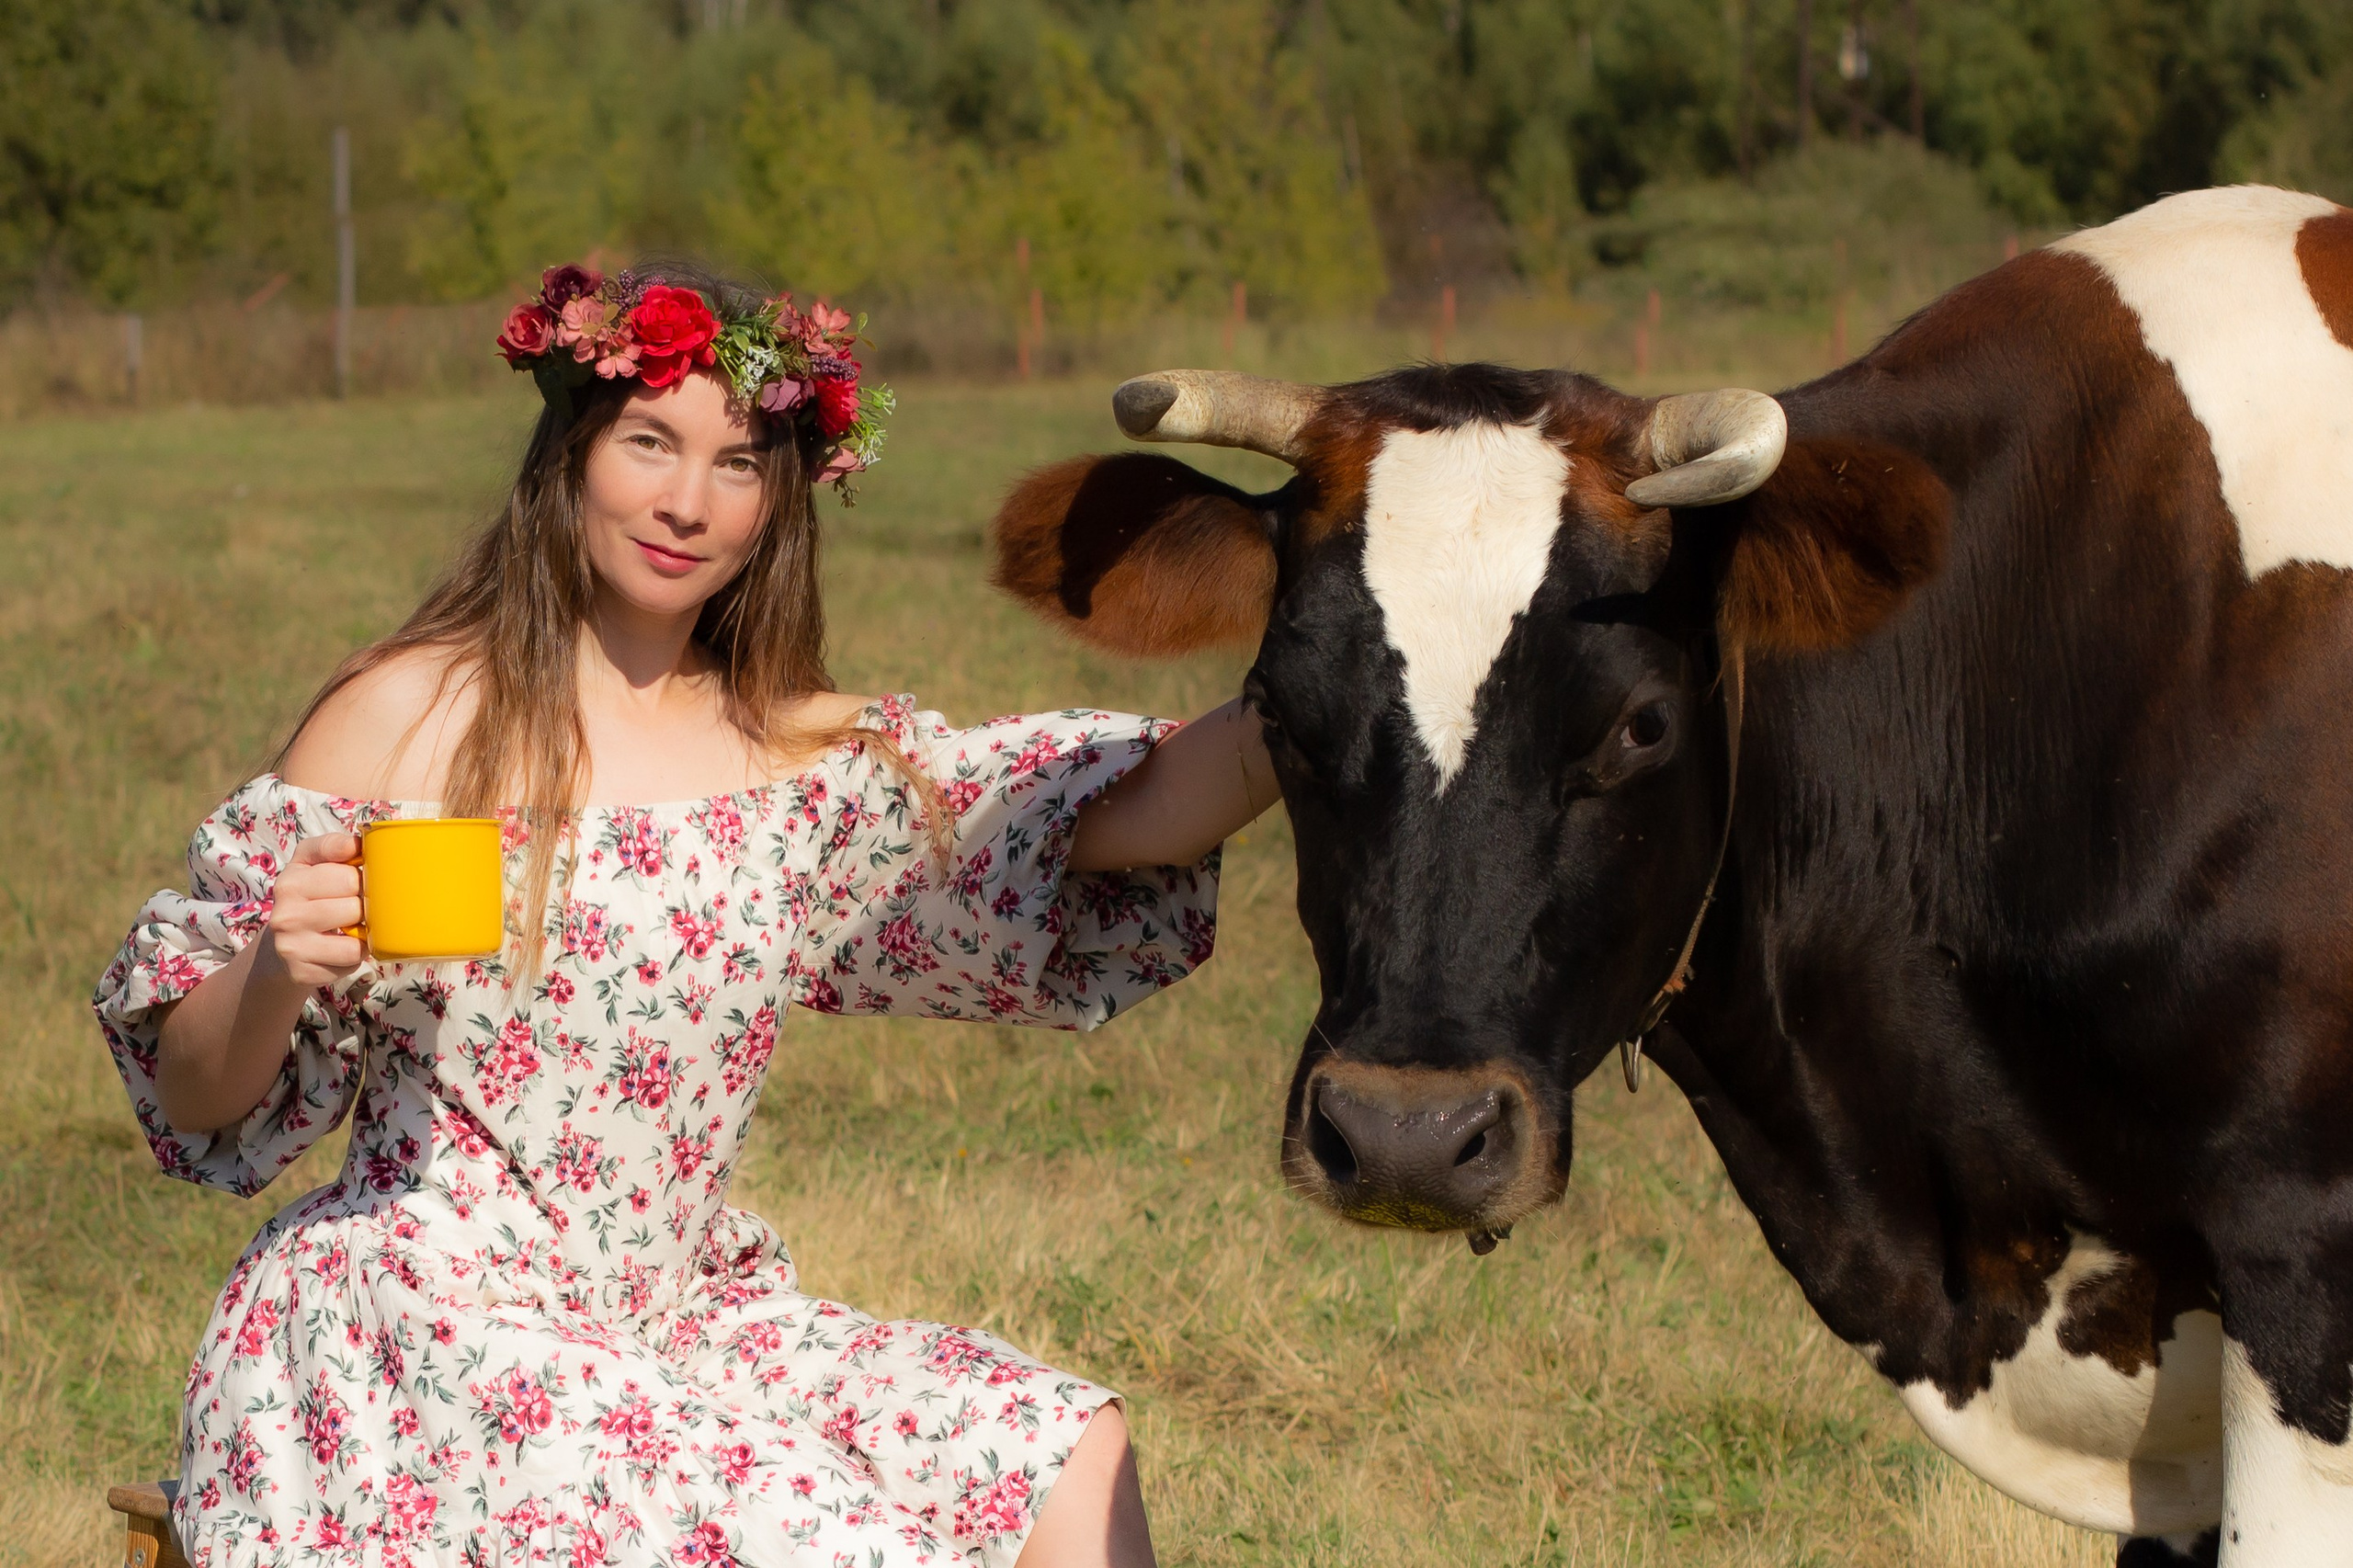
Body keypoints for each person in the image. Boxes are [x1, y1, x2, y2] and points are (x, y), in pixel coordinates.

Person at [92, 262, 1274, 1568]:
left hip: (681, 1312)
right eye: (650, 443)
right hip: (416, 1325)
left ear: (780, 500)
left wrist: (1350, 675)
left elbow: (1112, 805)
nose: (685, 503)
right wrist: (273, 967)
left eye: (736, 464)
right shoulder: (407, 715)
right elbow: (195, 1092)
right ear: (574, 454)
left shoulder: (792, 761)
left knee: (1067, 1444)